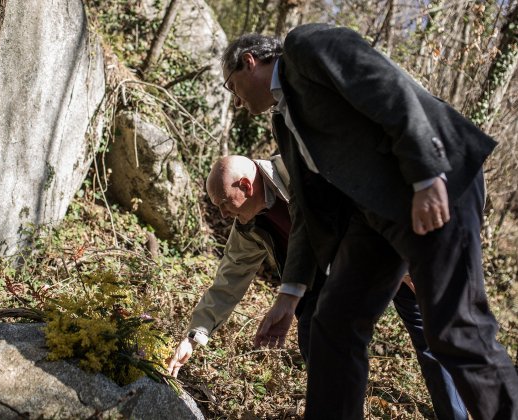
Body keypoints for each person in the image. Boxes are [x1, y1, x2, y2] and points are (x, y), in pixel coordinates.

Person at [220, 24, 518, 419]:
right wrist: (289, 295)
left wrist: (426, 174)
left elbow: (387, 85)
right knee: (334, 323)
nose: (237, 101)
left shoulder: (305, 47)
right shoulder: (285, 121)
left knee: (455, 327)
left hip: (431, 179)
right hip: (374, 214)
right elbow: (309, 210)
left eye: (231, 87)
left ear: (249, 62)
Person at [167, 155, 467, 420]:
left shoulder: (300, 165)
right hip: (328, 281)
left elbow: (367, 197)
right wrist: (194, 336)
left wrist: (404, 257)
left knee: (430, 335)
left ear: (246, 186)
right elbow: (227, 281)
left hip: (387, 248)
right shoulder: (247, 227)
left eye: (223, 203)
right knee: (314, 333)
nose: (222, 215)